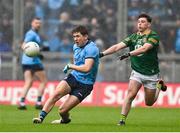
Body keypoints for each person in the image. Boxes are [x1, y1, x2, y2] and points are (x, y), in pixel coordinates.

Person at [99, 13, 167, 125]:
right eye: (139, 21)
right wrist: (102, 54)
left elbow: (144, 49)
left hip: (151, 74)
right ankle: (122, 120)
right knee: (130, 94)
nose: (140, 23)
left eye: (143, 22)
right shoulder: (133, 37)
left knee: (149, 103)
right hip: (137, 72)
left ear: (149, 24)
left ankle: (159, 86)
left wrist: (128, 54)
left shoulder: (153, 36)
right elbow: (117, 47)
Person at [32, 25, 99, 124]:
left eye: (78, 36)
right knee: (56, 94)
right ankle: (40, 118)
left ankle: (65, 120)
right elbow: (76, 60)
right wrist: (72, 66)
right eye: (74, 37)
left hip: (85, 85)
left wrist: (71, 66)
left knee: (62, 110)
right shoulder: (75, 46)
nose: (75, 39)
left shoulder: (91, 49)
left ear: (85, 37)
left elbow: (87, 68)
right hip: (74, 77)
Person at [18, 17, 47, 110]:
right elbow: (24, 45)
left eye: (39, 23)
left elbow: (33, 48)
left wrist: (39, 53)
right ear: (32, 23)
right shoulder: (31, 33)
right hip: (33, 61)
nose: (38, 24)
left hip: (25, 61)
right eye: (36, 23)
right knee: (43, 81)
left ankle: (21, 102)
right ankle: (38, 102)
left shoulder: (34, 34)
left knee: (29, 82)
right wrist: (29, 52)